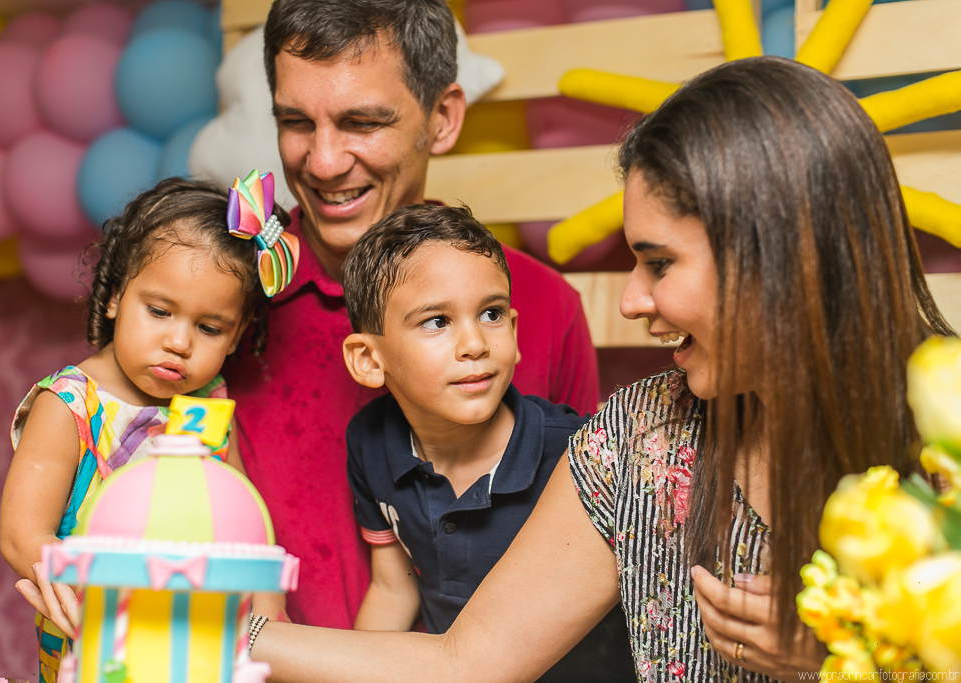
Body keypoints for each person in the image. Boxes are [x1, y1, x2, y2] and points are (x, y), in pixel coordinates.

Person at [243, 56, 955, 681]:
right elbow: (466, 661)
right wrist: (231, 635)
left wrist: (857, 654)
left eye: (660, 263)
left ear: (778, 253)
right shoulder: (637, 437)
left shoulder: (944, 438)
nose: (635, 299)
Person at [226, 0, 599, 629]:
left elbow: (584, 563)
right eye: (295, 122)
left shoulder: (544, 306)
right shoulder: (217, 303)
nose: (321, 162)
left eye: (362, 122)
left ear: (444, 118)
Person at [0, 177, 281, 683]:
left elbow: (247, 531)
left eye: (209, 327)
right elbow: (22, 534)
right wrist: (96, 596)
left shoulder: (210, 404)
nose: (178, 341)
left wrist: (269, 618)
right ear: (113, 297)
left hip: (200, 636)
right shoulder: (70, 404)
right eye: (158, 311)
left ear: (237, 334)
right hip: (93, 636)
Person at [339, 203, 633, 681]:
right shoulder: (370, 443)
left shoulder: (580, 453)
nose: (475, 343)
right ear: (369, 359)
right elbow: (394, 589)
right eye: (437, 321)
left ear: (515, 334)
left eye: (491, 314)